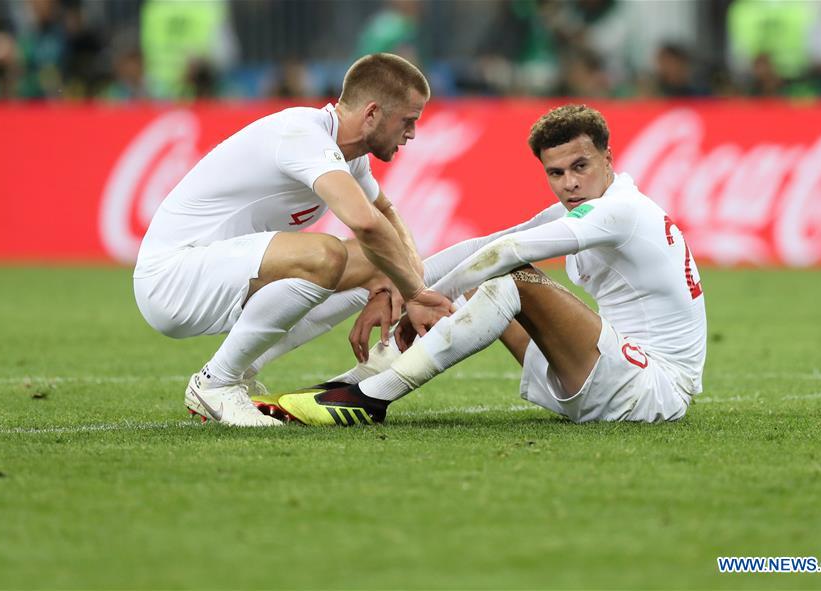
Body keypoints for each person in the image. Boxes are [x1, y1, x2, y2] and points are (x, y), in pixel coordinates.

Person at [267, 104, 707, 426]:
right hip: (605, 378)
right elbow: (485, 245)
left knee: (511, 278)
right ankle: (351, 382)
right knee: (482, 280)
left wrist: (424, 299)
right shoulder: (584, 208)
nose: (569, 182)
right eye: (555, 173)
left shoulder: (622, 210)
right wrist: (403, 288)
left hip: (653, 389)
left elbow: (511, 253)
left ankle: (370, 399)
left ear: (608, 159)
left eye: (580, 166)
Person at [133, 53, 453, 427]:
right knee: (327, 254)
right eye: (408, 121)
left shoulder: (351, 158)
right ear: (372, 114)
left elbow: (387, 214)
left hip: (218, 273)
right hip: (172, 278)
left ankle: (237, 370)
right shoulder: (302, 134)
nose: (412, 134)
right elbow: (366, 224)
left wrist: (393, 289)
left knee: (377, 262)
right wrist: (415, 293)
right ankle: (216, 383)